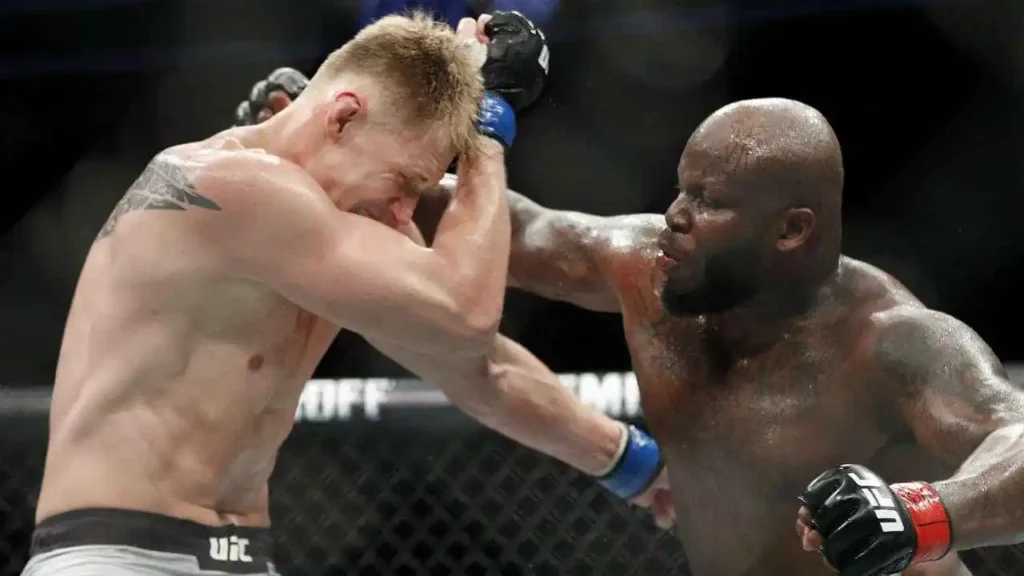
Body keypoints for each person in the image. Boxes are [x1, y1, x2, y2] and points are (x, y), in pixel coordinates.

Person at [255, 86, 1023, 574]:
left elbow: (1015, 433)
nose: (677, 218)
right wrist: (334, 149)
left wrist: (928, 514)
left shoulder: (891, 342)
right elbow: (522, 232)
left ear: (792, 231)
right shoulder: (647, 268)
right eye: (680, 190)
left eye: (710, 201)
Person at [24, 12, 671, 576]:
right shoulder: (227, 184)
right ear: (342, 117)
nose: (401, 214)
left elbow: (477, 365)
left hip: (241, 556)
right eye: (403, 181)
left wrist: (634, 466)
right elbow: (467, 312)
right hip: (114, 557)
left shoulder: (323, 233)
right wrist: (488, 134)